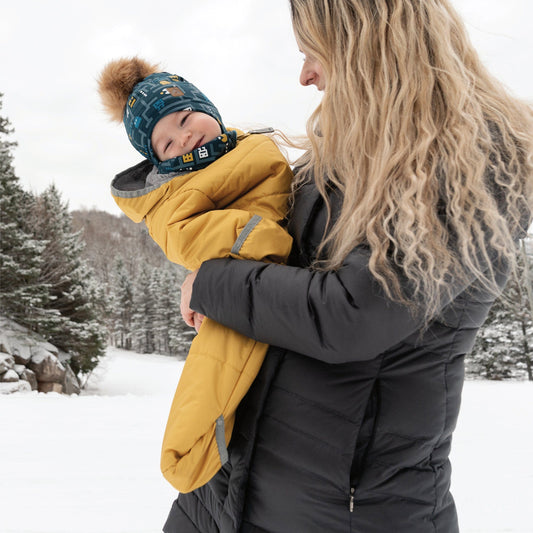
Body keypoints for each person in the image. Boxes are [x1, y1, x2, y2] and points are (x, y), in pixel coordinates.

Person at [166, 1, 533, 532]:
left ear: (365, 41)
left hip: (353, 513)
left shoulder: (474, 155)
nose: (305, 74)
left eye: (313, 52)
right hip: (233, 492)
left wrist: (213, 284)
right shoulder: (347, 153)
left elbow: (353, 315)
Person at [97, 58, 293, 493]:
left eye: (185, 117)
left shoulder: (249, 146)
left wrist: (203, 275)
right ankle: (187, 452)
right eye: (166, 143)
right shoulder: (177, 193)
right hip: (244, 283)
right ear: (160, 162)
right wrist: (239, 251)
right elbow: (186, 233)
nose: (184, 136)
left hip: (248, 283)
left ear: (208, 107)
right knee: (220, 360)